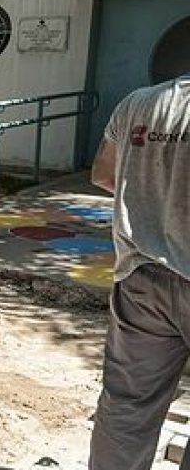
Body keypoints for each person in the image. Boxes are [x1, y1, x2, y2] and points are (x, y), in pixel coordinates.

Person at [88, 72, 190, 470]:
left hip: (143, 280)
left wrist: (157, 197)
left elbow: (103, 174)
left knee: (127, 409)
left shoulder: (139, 103)